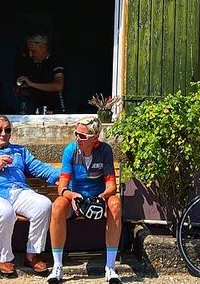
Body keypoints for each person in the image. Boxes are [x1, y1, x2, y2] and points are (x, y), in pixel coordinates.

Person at [0, 116, 62, 278]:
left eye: (7, 130)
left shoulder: (19, 151)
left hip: (18, 191)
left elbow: (39, 168)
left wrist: (63, 175)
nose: (3, 133)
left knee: (44, 205)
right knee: (5, 211)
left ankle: (32, 255)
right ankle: (5, 258)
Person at [47, 116, 122, 284]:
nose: (77, 139)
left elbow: (111, 186)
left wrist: (101, 197)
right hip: (76, 200)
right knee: (57, 206)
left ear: (94, 138)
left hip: (98, 200)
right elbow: (62, 187)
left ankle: (110, 267)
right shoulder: (70, 150)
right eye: (76, 134)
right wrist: (72, 196)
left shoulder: (104, 151)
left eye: (82, 136)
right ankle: (57, 267)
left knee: (116, 204)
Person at [16, 33, 66, 114]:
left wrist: (32, 84)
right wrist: (23, 90)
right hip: (39, 112)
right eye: (29, 51)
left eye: (33, 51)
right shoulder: (34, 64)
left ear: (43, 47)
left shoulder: (55, 61)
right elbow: (39, 90)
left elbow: (59, 86)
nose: (31, 55)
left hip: (57, 112)